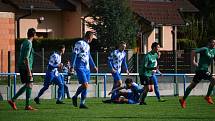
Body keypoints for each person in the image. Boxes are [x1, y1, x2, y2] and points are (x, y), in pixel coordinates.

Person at [179, 37, 215, 108]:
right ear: (209, 43)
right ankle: (207, 97)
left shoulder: (214, 51)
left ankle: (183, 99)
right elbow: (193, 51)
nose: (214, 44)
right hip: (201, 70)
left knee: (192, 86)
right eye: (213, 42)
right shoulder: (205, 49)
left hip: (203, 71)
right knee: (213, 79)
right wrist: (193, 61)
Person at [8, 28, 36, 110]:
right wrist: (29, 71)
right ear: (34, 35)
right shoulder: (29, 43)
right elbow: (26, 58)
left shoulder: (24, 42)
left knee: (28, 84)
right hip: (25, 66)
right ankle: (15, 101)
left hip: (21, 66)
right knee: (30, 84)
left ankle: (15, 100)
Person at [70, 31, 98, 109]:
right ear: (90, 37)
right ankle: (75, 96)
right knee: (85, 85)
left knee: (86, 86)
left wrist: (94, 66)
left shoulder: (88, 46)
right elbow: (74, 54)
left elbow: (89, 56)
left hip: (87, 68)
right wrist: (72, 66)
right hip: (80, 66)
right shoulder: (79, 43)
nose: (92, 39)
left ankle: (82, 103)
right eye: (92, 37)